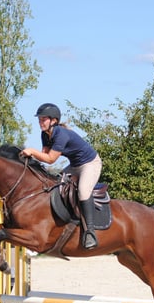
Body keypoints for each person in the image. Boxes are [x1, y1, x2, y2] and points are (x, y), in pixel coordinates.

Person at [21, 103, 103, 249]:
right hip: (75, 166)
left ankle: (90, 232)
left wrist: (32, 151)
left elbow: (51, 159)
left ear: (53, 120)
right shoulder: (45, 134)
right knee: (56, 185)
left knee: (83, 192)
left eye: (43, 119)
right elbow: (44, 155)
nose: (40, 122)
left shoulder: (61, 134)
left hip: (90, 164)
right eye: (39, 119)